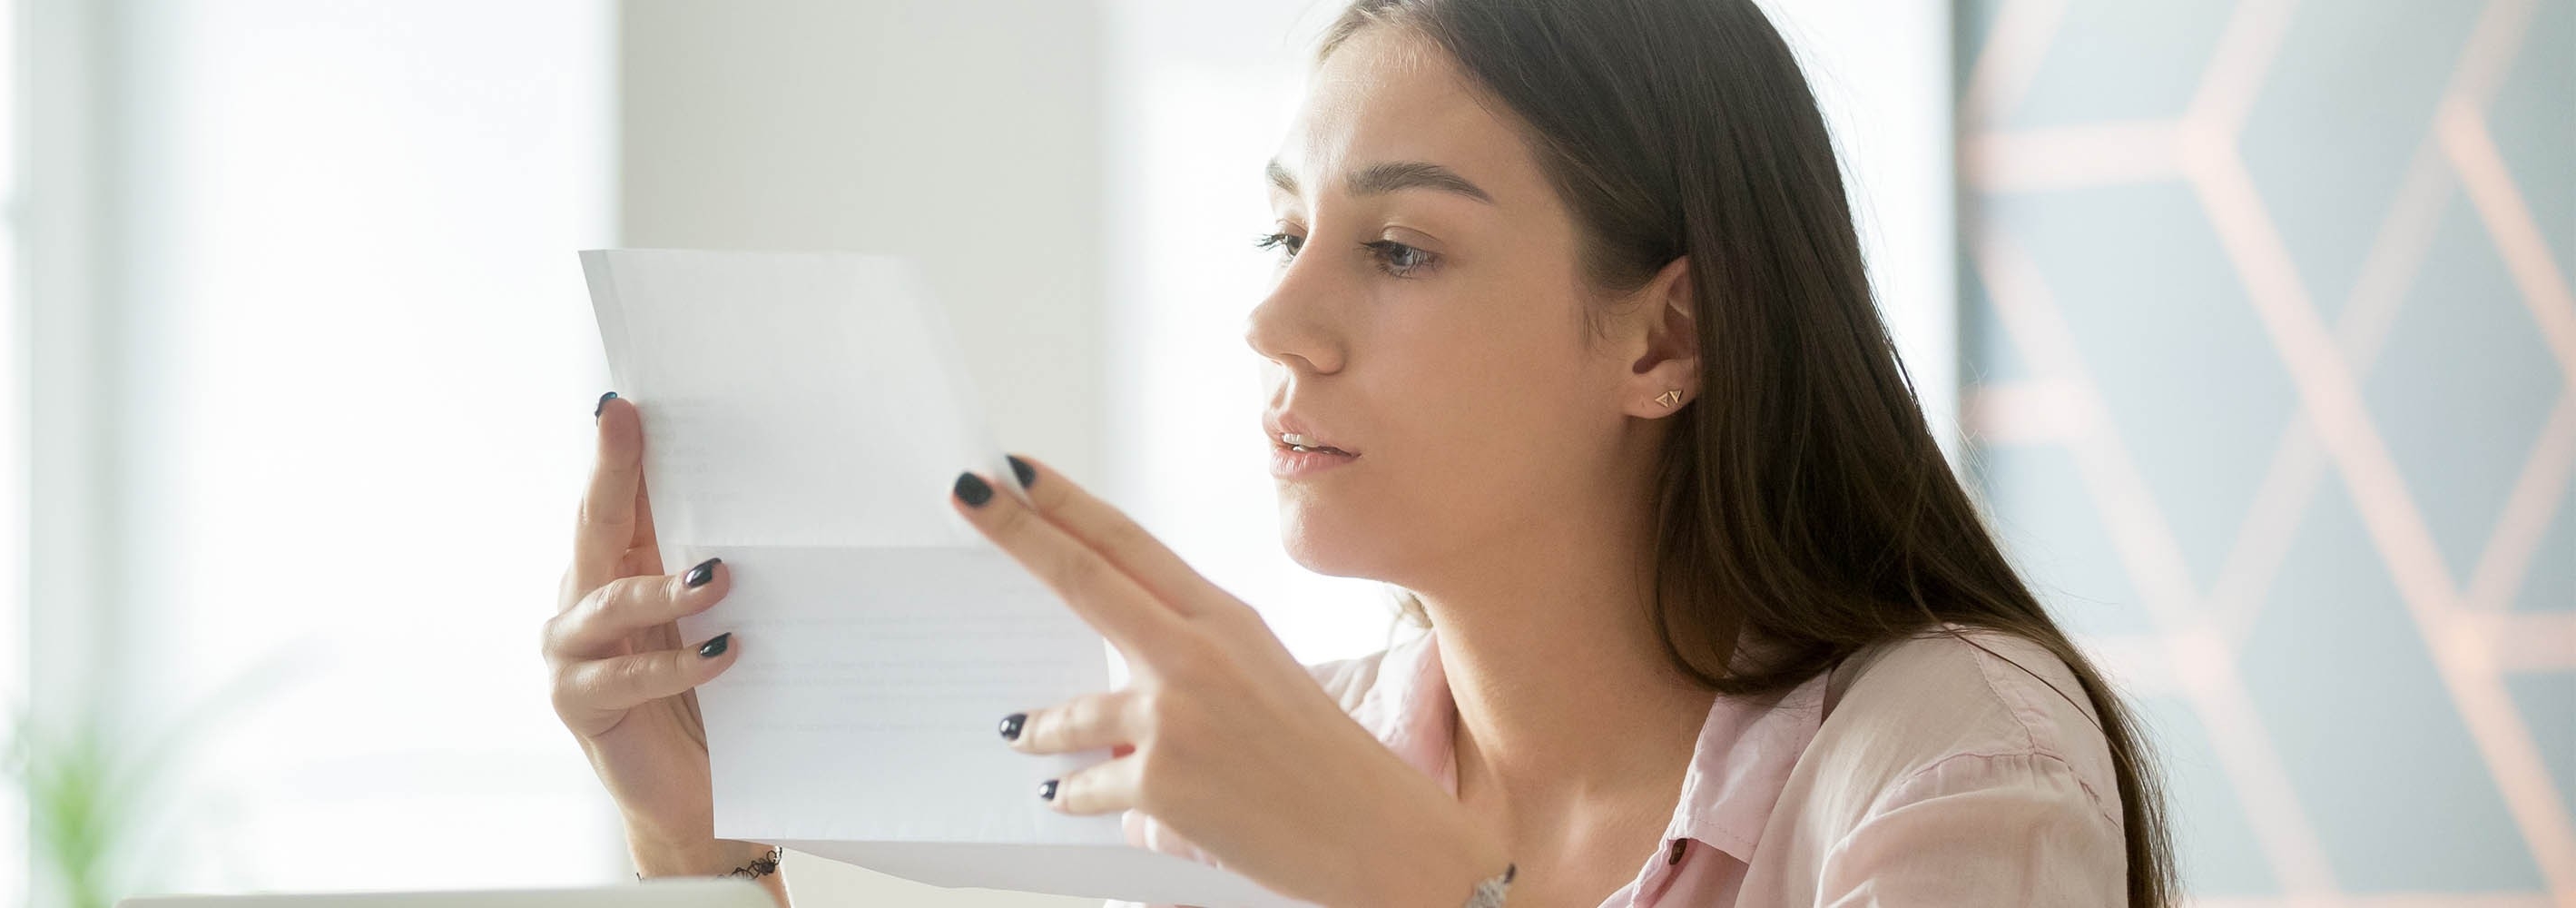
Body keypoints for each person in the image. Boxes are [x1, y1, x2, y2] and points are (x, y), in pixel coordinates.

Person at [544, 0, 2178, 904]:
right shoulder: (1270, 760)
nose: (1277, 323)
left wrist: (1435, 894)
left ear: (1664, 339)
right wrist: (703, 850)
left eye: (1399, 249)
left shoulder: (1951, 756)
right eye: (1284, 235)